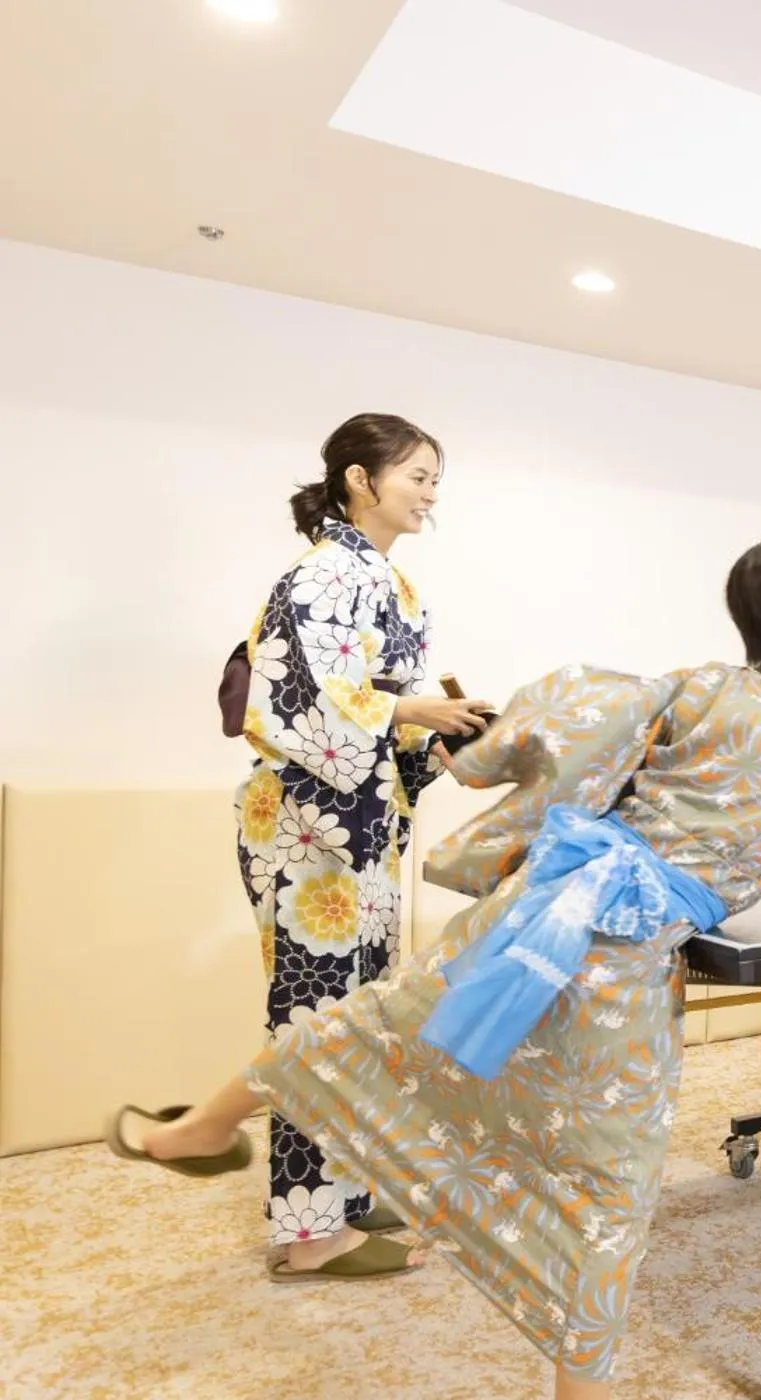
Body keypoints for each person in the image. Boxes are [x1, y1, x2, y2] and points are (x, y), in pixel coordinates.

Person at [107, 525, 761, 1399]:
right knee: (605, 1186)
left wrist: (483, 758)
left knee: (360, 1030)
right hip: (615, 961)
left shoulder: (693, 684)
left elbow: (567, 720)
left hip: (531, 909)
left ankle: (194, 1129)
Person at [234, 413, 490, 1279]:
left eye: (433, 480)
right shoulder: (322, 572)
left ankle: (341, 1193)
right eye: (416, 475)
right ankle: (306, 1236)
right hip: (310, 823)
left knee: (361, 1015)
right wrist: (413, 712)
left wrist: (443, 741)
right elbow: (299, 702)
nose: (428, 494)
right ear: (358, 478)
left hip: (360, 824)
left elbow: (379, 717)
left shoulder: (383, 579)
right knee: (314, 1016)